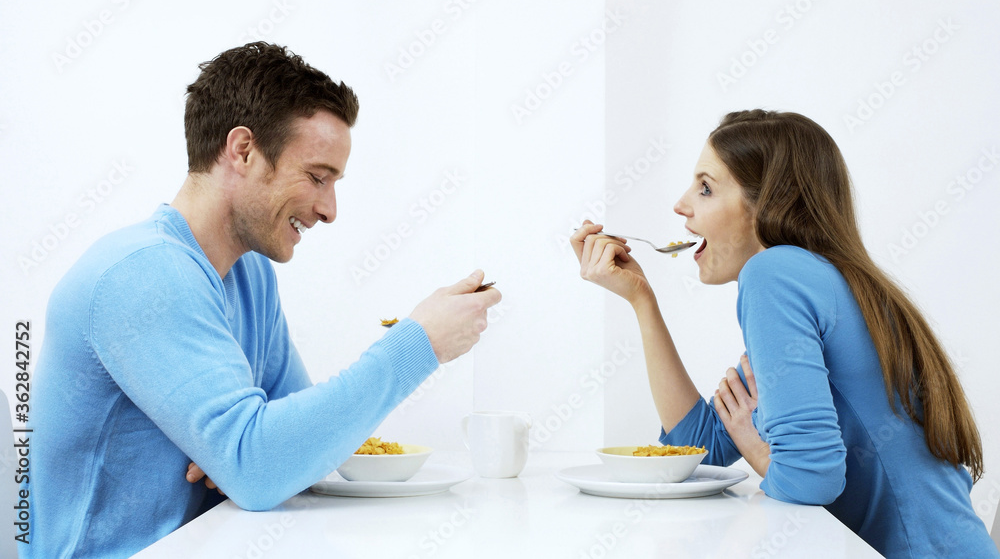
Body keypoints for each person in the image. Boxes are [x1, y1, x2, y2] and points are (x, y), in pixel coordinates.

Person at [28, 42, 501, 558]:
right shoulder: (144, 272)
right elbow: (262, 466)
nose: (329, 209)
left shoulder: (248, 272)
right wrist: (421, 343)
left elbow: (296, 447)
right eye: (317, 176)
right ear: (243, 150)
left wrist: (249, 453)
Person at [572, 110, 997, 558]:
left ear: (767, 202)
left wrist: (756, 449)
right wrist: (641, 300)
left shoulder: (774, 274)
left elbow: (811, 479)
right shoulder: (820, 280)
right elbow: (695, 446)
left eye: (706, 187)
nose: (681, 205)